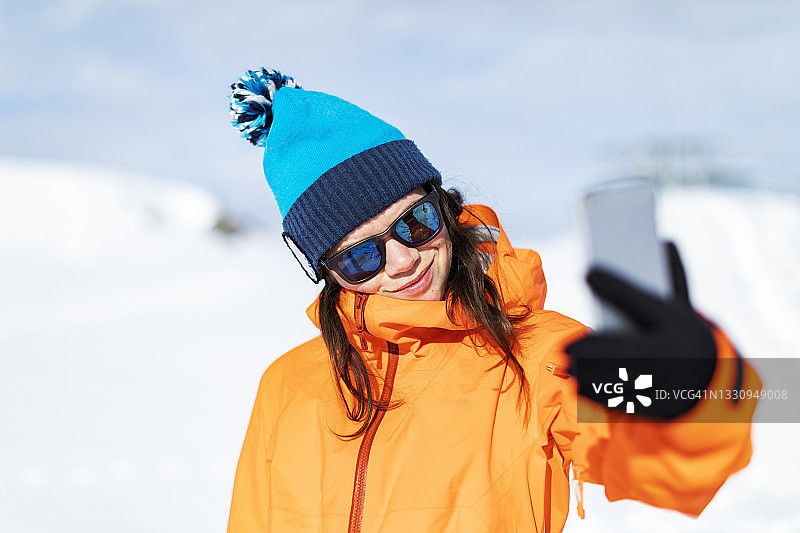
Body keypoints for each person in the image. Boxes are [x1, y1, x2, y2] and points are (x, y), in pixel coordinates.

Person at [225, 68, 760, 533]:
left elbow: (669, 467)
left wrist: (698, 391)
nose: (402, 261)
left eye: (414, 223)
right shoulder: (287, 385)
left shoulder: (541, 355)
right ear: (330, 274)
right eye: (361, 258)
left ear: (445, 207)